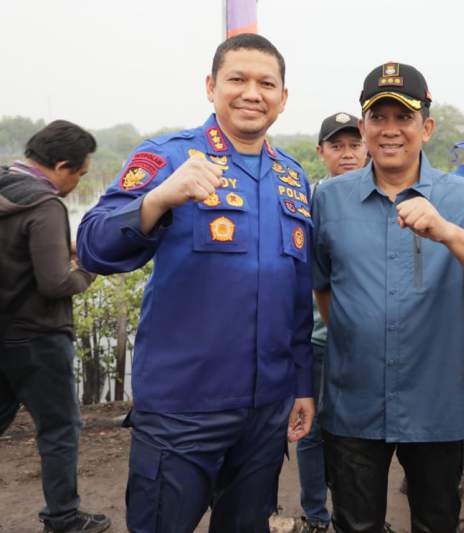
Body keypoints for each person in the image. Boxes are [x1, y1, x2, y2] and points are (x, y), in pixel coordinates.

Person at [76, 34, 314, 532]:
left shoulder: (292, 177)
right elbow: (95, 245)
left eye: (266, 83)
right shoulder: (168, 156)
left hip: (266, 410)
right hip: (183, 408)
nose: (252, 93)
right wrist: (158, 199)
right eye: (237, 80)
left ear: (283, 97)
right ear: (211, 87)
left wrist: (301, 386)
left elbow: (296, 296)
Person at [312, 62, 464, 533]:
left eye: (403, 118)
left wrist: (445, 230)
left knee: (436, 521)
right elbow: (323, 288)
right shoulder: (330, 198)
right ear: (363, 127)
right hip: (354, 400)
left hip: (435, 400)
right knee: (356, 524)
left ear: (426, 126)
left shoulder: (463, 198)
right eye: (377, 118)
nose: (389, 131)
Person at [0, 121, 109, 533]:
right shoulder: (44, 205)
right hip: (39, 338)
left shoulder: (5, 186)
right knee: (61, 428)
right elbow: (55, 283)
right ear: (61, 165)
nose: (77, 182)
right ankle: (63, 517)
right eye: (79, 174)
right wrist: (90, 268)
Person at [297, 111, 368, 533]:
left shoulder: (384, 196)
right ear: (321, 151)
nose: (347, 154)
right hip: (319, 338)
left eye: (354, 145)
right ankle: (315, 515)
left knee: (357, 433)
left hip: (365, 341)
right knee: (311, 429)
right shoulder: (309, 200)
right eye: (336, 146)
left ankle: (352, 514)